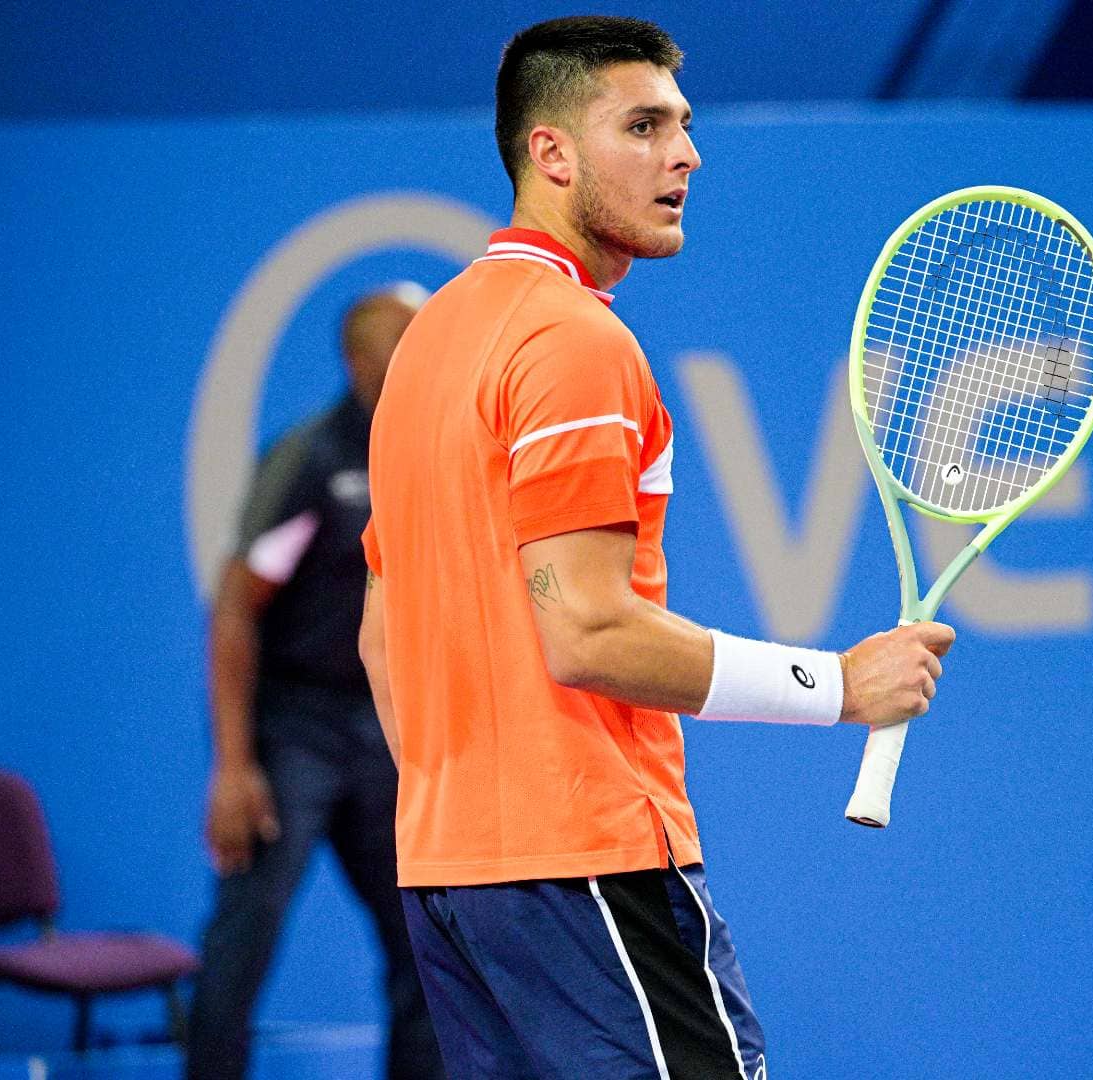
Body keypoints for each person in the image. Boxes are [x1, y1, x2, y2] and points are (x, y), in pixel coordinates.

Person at [358, 16, 954, 1079]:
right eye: (643, 125)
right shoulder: (576, 341)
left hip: (450, 876)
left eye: (683, 125)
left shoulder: (427, 348)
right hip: (590, 864)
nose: (685, 154)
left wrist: (483, 812)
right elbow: (585, 630)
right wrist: (840, 686)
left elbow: (381, 645)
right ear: (550, 154)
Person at [190, 285, 444, 1080]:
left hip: (384, 734)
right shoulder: (309, 461)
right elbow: (236, 611)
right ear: (362, 360)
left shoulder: (434, 457)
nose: (427, 355)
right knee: (248, 929)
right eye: (409, 339)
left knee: (425, 939)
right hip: (295, 733)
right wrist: (235, 768)